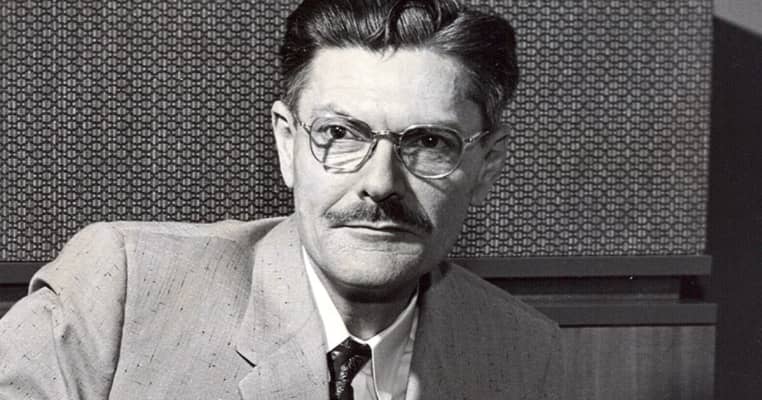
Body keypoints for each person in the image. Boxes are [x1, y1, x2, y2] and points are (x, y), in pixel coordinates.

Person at [0, 0, 561, 399]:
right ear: (288, 145)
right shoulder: (119, 289)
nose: (381, 183)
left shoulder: (525, 353)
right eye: (341, 134)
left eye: (429, 142)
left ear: (486, 164)